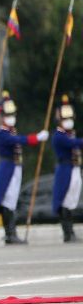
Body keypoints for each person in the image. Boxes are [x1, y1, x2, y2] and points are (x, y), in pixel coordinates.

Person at [0, 91, 47, 245]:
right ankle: (10, 233)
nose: (11, 117)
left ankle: (11, 232)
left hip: (15, 167)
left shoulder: (10, 130)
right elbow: (19, 140)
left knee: (12, 200)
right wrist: (36, 138)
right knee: (8, 201)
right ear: (2, 116)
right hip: (8, 168)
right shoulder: (3, 134)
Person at [51, 95, 82, 243]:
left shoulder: (70, 134)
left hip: (74, 167)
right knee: (65, 201)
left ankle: (71, 231)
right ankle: (67, 232)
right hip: (65, 168)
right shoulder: (59, 136)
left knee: (71, 201)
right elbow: (73, 144)